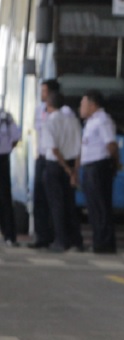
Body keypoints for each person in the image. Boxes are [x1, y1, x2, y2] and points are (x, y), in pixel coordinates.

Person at [77, 90, 119, 254]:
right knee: (93, 207)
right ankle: (98, 241)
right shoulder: (91, 121)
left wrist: (115, 164)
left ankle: (105, 243)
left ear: (92, 105)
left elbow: (111, 145)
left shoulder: (103, 120)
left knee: (101, 206)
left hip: (99, 167)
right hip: (90, 167)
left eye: (83, 104)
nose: (81, 107)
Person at [42, 90, 83, 252]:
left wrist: (66, 168)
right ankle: (76, 241)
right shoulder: (73, 120)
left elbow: (54, 150)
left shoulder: (49, 123)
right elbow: (80, 148)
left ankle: (61, 240)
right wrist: (74, 171)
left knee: (57, 205)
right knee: (70, 204)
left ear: (48, 104)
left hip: (56, 166)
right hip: (72, 164)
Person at [28, 78, 60, 249]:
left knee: (53, 199)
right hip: (41, 157)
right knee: (38, 198)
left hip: (54, 158)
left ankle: (55, 236)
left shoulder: (61, 113)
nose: (42, 94)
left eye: (44, 91)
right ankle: (41, 237)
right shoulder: (39, 110)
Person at [0, 105, 20, 246]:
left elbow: (16, 137)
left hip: (2, 158)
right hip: (3, 158)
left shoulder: (5, 117)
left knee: (4, 198)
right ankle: (9, 236)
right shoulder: (6, 116)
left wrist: (6, 149)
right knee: (4, 198)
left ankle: (9, 235)